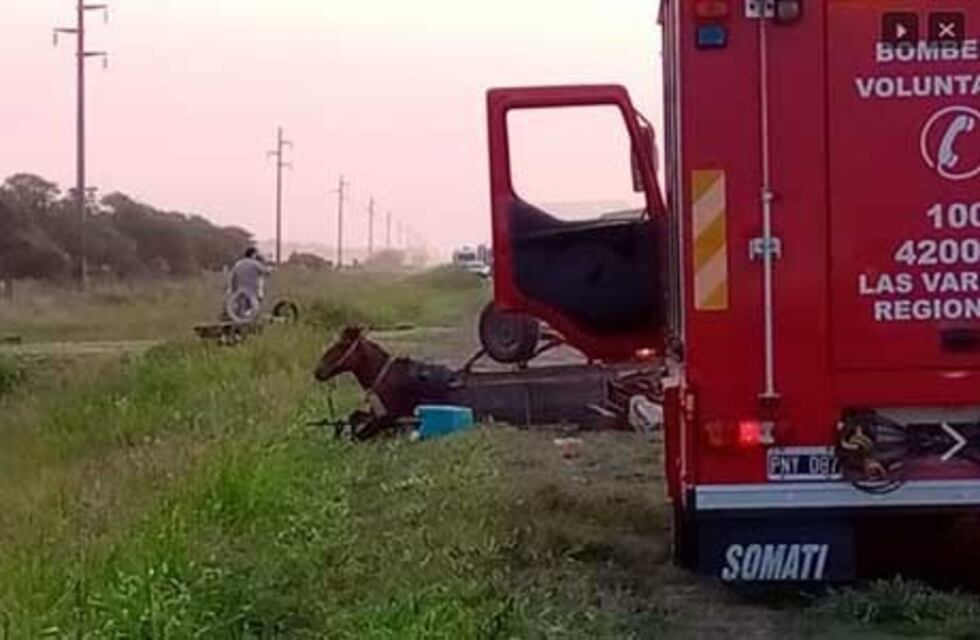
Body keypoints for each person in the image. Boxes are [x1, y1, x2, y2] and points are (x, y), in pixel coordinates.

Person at [225, 247, 273, 322]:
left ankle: (239, 321)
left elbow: (233, 277)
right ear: (253, 254)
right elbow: (266, 272)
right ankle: (250, 321)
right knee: (254, 307)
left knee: (241, 308)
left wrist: (233, 289)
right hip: (252, 290)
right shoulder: (255, 263)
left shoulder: (238, 263)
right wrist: (270, 269)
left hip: (239, 290)